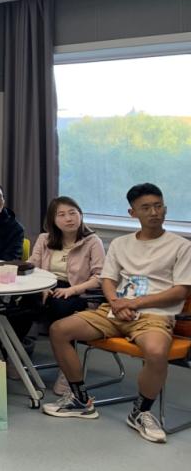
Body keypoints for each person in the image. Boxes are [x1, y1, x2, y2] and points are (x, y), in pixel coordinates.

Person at [43, 183, 191, 444]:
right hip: (113, 310)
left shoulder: (181, 246)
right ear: (132, 213)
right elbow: (108, 279)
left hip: (154, 315)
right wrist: (115, 302)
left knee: (156, 352)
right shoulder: (121, 243)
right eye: (146, 208)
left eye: (158, 206)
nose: (154, 212)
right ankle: (80, 400)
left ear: (165, 209)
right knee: (59, 330)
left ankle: (140, 412)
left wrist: (134, 304)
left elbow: (181, 291)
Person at [22, 196, 105, 395]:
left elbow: (100, 277)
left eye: (72, 213)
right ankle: (17, 358)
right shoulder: (44, 239)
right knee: (20, 304)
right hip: (47, 286)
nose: (68, 218)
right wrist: (41, 287)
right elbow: (32, 266)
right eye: (61, 215)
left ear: (80, 215)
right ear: (53, 220)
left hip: (78, 292)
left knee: (60, 307)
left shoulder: (92, 241)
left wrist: (71, 290)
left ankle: (67, 370)